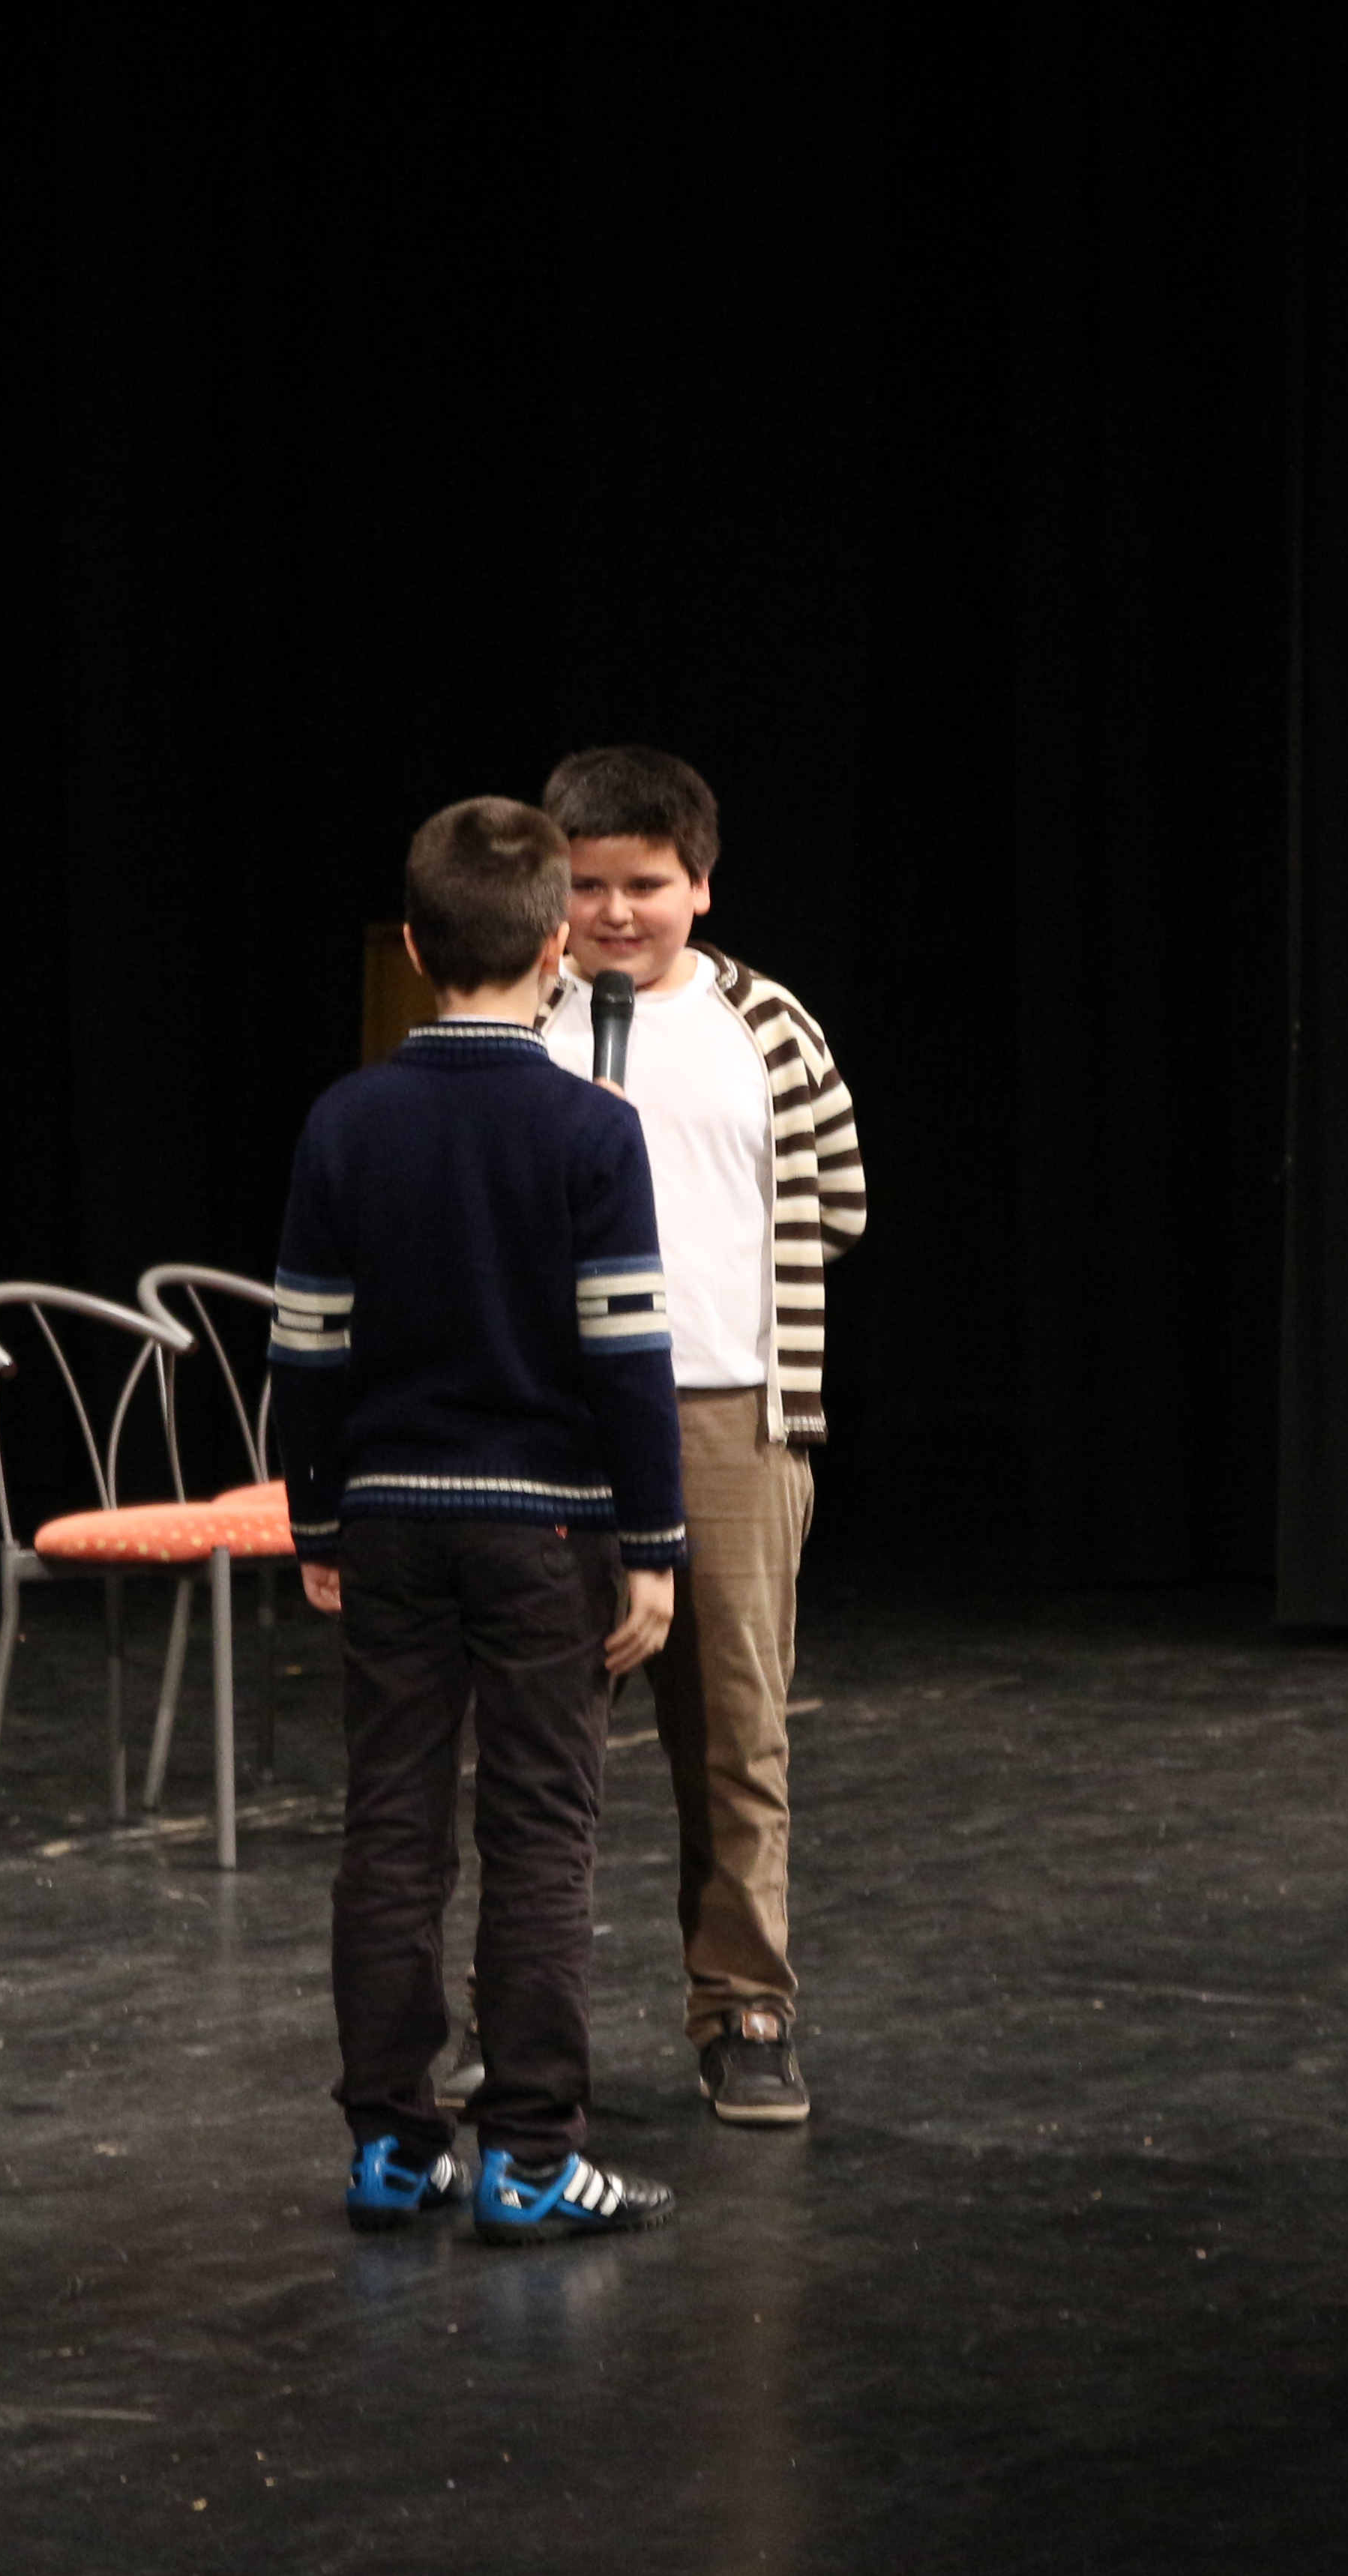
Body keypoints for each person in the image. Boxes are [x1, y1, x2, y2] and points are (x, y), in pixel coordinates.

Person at [274, 795, 688, 2245]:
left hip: (387, 1522)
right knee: (537, 1837)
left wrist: (315, 1519)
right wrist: (655, 1545)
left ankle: (392, 2149)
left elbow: (305, 1348)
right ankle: (527, 2158)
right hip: (546, 1536)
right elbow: (626, 1356)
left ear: (411, 944)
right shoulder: (589, 1129)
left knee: (389, 1827)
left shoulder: (345, 1119)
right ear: (557, 942)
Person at [532, 746, 864, 2129]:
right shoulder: (520, 1017)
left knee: (734, 1733)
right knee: (537, 1735)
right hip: (549, 1422)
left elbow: (836, 1204)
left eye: (646, 884)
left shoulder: (765, 1025)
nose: (616, 912)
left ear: (700, 885)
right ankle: (517, 2022)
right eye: (588, 885)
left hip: (726, 1408)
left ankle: (744, 2009)